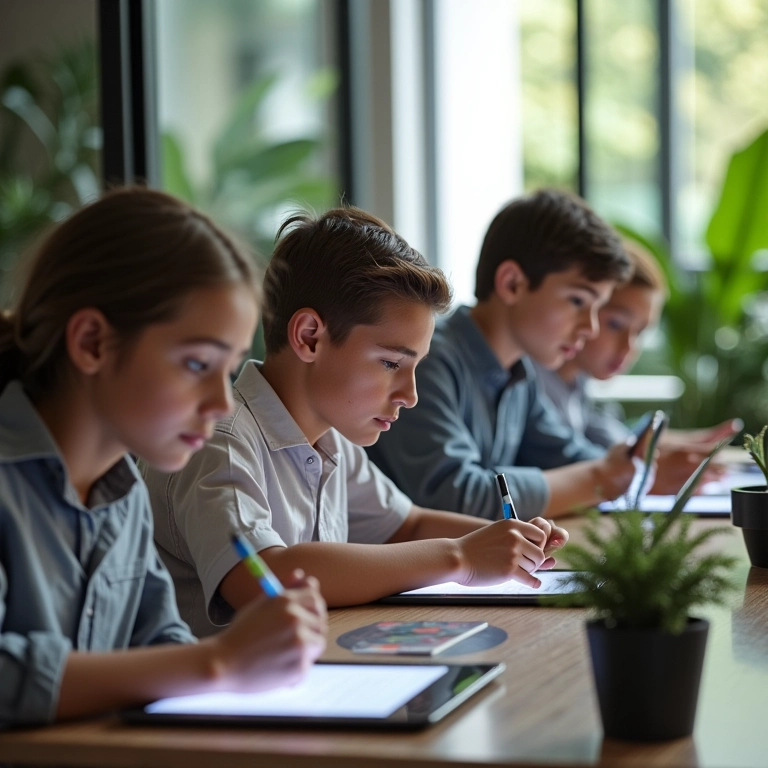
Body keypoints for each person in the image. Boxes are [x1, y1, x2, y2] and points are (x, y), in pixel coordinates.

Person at [143, 206, 568, 637]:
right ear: (310, 336)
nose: (411, 395)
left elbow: (407, 525)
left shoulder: (330, 441)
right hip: (214, 699)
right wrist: (459, 557)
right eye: (389, 363)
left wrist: (508, 542)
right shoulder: (220, 441)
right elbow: (264, 578)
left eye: (415, 366)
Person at [0, 188, 326, 729]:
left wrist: (250, 653)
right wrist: (219, 661)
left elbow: (159, 640)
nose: (222, 403)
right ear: (92, 343)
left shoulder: (123, 492)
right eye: (198, 363)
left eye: (228, 370)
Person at [367, 188, 644, 521]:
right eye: (577, 301)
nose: (590, 328)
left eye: (598, 308)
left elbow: (566, 456)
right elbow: (454, 496)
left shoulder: (517, 370)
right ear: (512, 283)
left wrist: (628, 466)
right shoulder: (426, 361)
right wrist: (599, 479)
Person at [533, 239, 739, 492]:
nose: (628, 347)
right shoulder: (533, 383)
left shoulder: (574, 386)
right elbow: (571, 461)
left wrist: (678, 444)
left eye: (640, 332)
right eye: (616, 324)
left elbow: (609, 440)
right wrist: (644, 477)